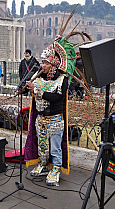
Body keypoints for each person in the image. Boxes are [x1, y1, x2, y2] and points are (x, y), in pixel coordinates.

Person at [24, 41, 73, 186]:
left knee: (55, 147)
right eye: (42, 63)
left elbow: (56, 97)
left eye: (46, 63)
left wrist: (37, 90)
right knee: (42, 144)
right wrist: (27, 88)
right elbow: (33, 93)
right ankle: (44, 164)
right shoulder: (38, 78)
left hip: (55, 119)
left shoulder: (62, 80)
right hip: (41, 119)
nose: (43, 66)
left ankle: (56, 168)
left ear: (53, 64)